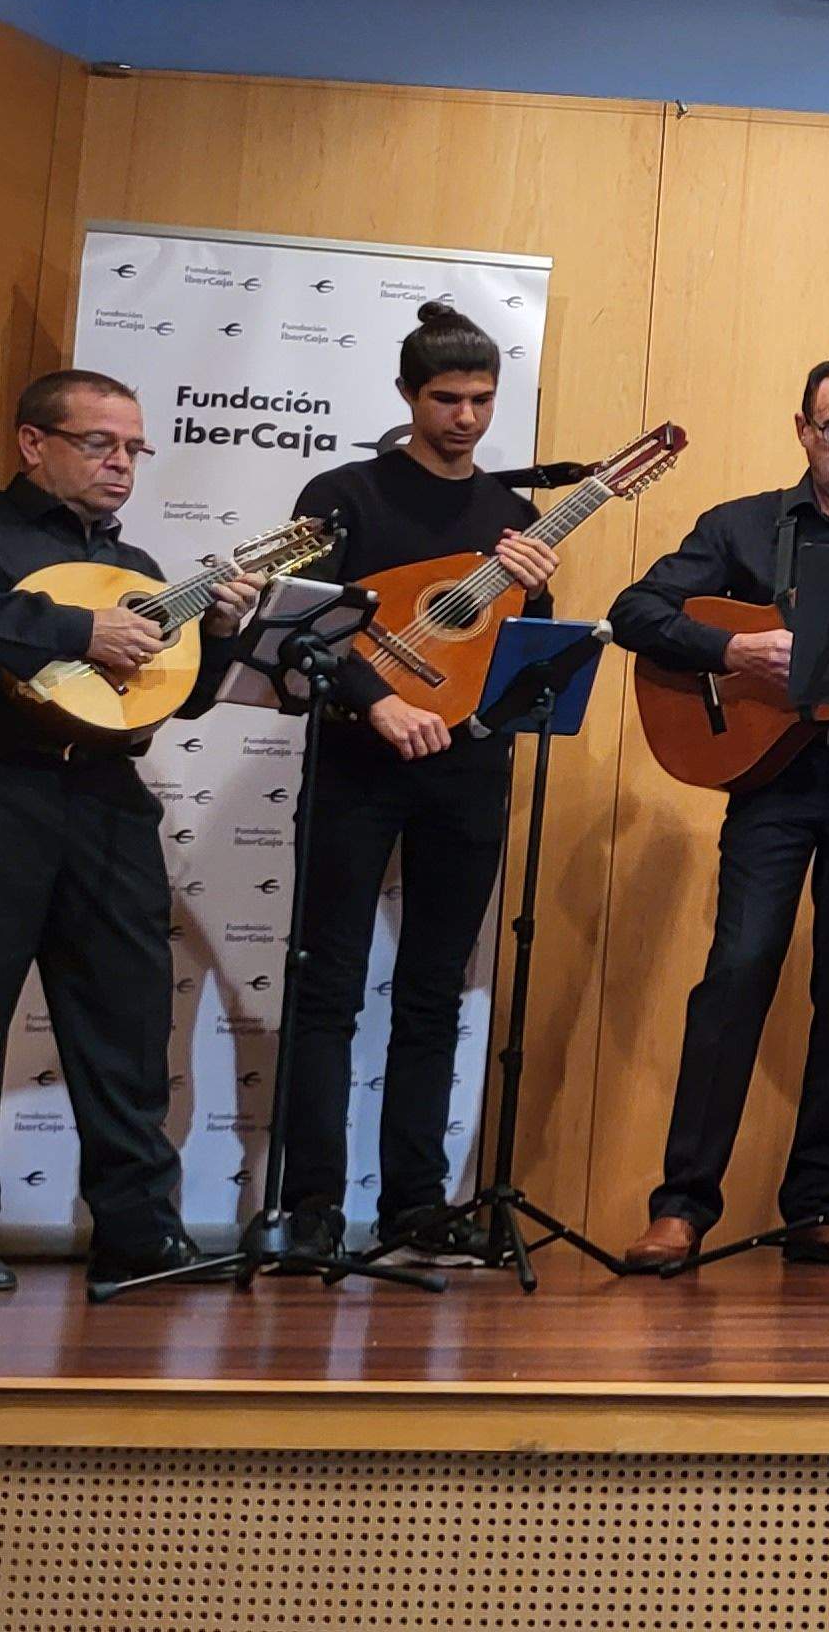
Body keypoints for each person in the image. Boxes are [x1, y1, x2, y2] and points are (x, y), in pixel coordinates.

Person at [609, 358, 829, 1272]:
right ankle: (681, 1207)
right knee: (736, 975)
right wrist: (732, 649)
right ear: (803, 430)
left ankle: (820, 1202)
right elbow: (634, 609)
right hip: (769, 783)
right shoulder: (739, 526)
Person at [0, 371, 259, 1293]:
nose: (122, 465)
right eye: (100, 445)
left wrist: (225, 633)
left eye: (134, 451)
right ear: (34, 443)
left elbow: (176, 697)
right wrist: (79, 630)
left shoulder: (143, 572)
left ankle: (138, 1229)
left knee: (126, 1017)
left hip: (107, 803)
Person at [272, 302, 561, 1267]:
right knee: (328, 986)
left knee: (434, 992)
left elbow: (515, 656)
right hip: (357, 764)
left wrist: (537, 584)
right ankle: (310, 1206)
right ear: (407, 396)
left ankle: (414, 1208)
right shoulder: (346, 493)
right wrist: (372, 702)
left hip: (468, 772)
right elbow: (302, 625)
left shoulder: (513, 516)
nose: (467, 418)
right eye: (447, 399)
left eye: (482, 400)